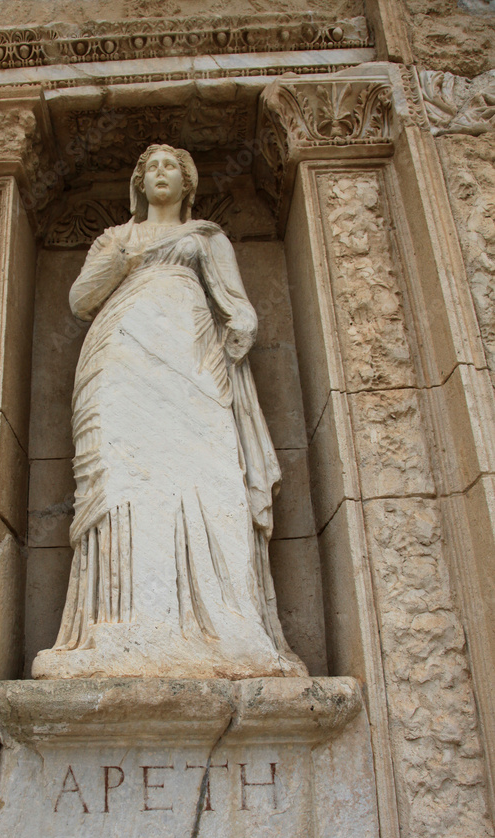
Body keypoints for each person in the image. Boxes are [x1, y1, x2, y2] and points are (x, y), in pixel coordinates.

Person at [32, 144, 306, 679]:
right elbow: (81, 300)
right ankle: (117, 623)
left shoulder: (206, 237)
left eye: (170, 168)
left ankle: (227, 623)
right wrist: (121, 260)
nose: (160, 174)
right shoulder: (116, 239)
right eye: (151, 167)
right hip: (120, 361)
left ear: (187, 184)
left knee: (207, 475)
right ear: (139, 183)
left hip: (191, 359)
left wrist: (243, 326)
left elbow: (239, 304)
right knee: (121, 483)